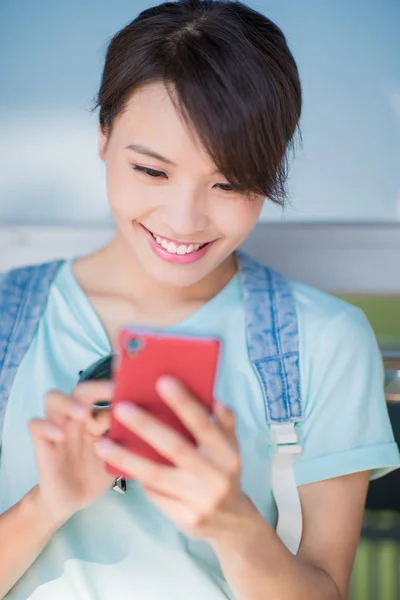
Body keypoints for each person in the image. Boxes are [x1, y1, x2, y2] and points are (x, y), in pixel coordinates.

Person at [0, 1, 399, 599]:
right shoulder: (8, 318)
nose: (184, 221)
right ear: (103, 136)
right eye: (152, 171)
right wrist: (44, 506)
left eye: (229, 182)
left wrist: (234, 525)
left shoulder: (327, 341)